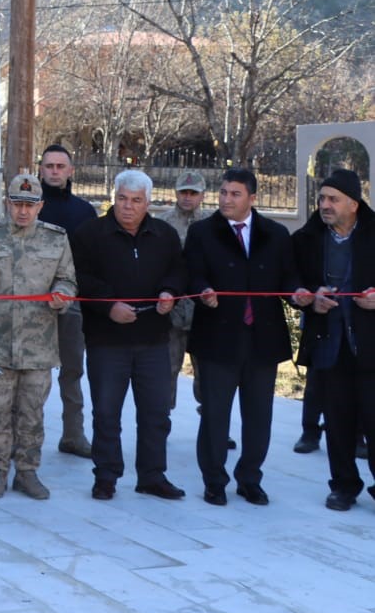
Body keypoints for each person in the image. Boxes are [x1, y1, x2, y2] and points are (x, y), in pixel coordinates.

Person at [184, 168, 297, 506]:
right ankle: (214, 480)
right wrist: (202, 290)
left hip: (262, 339)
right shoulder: (203, 232)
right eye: (223, 192)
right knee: (216, 414)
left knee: (259, 416)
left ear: (252, 198)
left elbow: (288, 278)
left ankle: (250, 479)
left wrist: (299, 293)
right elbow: (191, 272)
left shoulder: (275, 234)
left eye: (234, 194)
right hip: (218, 338)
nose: (226, 199)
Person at [70, 170, 186, 501]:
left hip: (153, 339)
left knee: (156, 413)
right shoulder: (90, 234)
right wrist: (109, 306)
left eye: (136, 201)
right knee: (107, 412)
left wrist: (169, 292)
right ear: (113, 197)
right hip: (108, 339)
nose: (128, 207)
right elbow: (79, 277)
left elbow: (178, 270)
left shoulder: (164, 234)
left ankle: (152, 475)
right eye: (122, 198)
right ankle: (106, 475)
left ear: (148, 203)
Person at [0, 174, 76, 499]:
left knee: (32, 414)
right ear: (7, 204)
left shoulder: (56, 239)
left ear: (41, 205)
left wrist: (62, 293)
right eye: (17, 204)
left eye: (30, 205)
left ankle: (27, 472)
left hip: (38, 345)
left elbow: (68, 279)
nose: (23, 211)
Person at [288, 169, 375, 511]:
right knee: (337, 420)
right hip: (329, 343)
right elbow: (291, 279)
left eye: (333, 199)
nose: (324, 205)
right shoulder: (306, 239)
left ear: (353, 204)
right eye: (322, 198)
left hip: (370, 345)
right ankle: (343, 485)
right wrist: (308, 295)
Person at [37, 144, 97, 457]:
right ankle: (26, 439)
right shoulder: (29, 206)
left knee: (72, 371)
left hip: (72, 305)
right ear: (41, 169)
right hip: (33, 304)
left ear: (71, 171)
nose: (55, 172)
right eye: (50, 166)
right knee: (32, 374)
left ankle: (73, 435)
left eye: (61, 166)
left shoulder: (84, 212)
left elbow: (92, 260)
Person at [161, 171, 208, 415]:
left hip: (203, 310)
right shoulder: (164, 222)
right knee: (167, 369)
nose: (188, 197)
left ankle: (213, 422)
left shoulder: (213, 223)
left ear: (203, 195)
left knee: (208, 372)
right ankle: (162, 422)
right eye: (183, 192)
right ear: (176, 193)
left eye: (193, 193)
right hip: (173, 310)